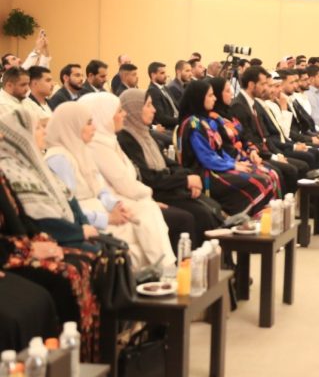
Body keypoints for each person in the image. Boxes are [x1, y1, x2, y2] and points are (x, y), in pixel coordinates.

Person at [0, 107, 103, 360]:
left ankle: (85, 361)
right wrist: (25, 248)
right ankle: (53, 369)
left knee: (85, 262)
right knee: (61, 278)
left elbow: (19, 216)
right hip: (8, 252)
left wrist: (39, 240)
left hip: (14, 246)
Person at [45, 102, 162, 272]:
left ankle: (165, 269)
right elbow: (68, 209)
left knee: (148, 217)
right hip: (87, 220)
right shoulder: (59, 159)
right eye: (88, 123)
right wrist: (107, 218)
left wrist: (115, 205)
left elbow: (100, 188)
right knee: (135, 242)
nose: (94, 128)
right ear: (72, 126)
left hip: (101, 210)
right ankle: (159, 273)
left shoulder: (80, 149)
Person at [78, 92, 178, 270]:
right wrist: (147, 197)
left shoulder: (109, 140)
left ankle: (165, 268)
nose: (124, 114)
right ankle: (166, 268)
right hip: (108, 204)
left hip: (119, 199)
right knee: (157, 214)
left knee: (156, 213)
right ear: (104, 116)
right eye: (119, 111)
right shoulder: (97, 145)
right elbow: (123, 183)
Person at [117, 89, 223, 245]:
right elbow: (148, 177)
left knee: (212, 207)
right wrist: (185, 181)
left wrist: (188, 177)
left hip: (167, 187)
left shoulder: (145, 135)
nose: (154, 110)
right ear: (135, 109)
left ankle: (216, 254)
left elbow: (169, 163)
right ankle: (194, 258)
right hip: (156, 192)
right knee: (200, 214)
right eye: (148, 105)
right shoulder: (126, 140)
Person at [176, 80, 275, 216]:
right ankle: (244, 221)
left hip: (217, 167)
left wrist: (235, 163)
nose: (215, 98)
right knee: (259, 181)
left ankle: (264, 221)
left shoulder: (205, 121)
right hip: (205, 173)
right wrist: (232, 165)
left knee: (267, 173)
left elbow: (219, 151)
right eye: (210, 95)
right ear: (199, 98)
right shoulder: (194, 125)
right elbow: (207, 158)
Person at [205, 77, 282, 198]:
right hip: (231, 161)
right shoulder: (212, 120)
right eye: (227, 91)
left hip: (244, 156)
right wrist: (244, 158)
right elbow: (225, 148)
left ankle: (278, 208)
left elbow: (244, 137)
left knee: (274, 172)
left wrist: (252, 151)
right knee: (267, 177)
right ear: (218, 94)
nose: (231, 94)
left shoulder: (229, 113)